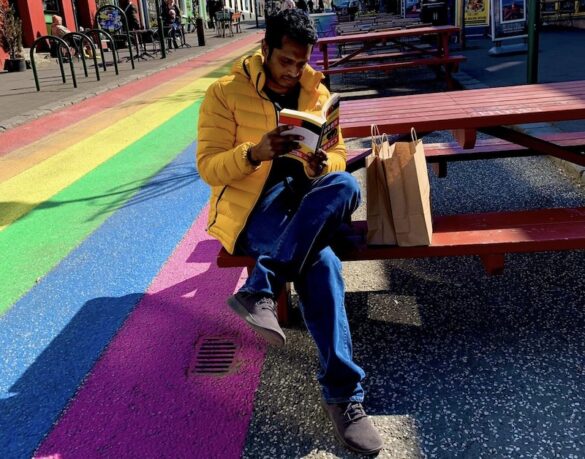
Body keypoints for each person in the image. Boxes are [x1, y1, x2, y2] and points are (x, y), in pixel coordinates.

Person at [196, 9, 383, 456]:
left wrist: (324, 163)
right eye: (285, 61)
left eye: (301, 63)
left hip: (308, 198)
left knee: (343, 182)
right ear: (266, 49)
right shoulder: (224, 93)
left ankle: (262, 285)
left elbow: (338, 151)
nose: (293, 71)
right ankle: (345, 396)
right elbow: (208, 166)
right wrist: (253, 152)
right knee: (321, 263)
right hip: (255, 209)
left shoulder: (317, 93)